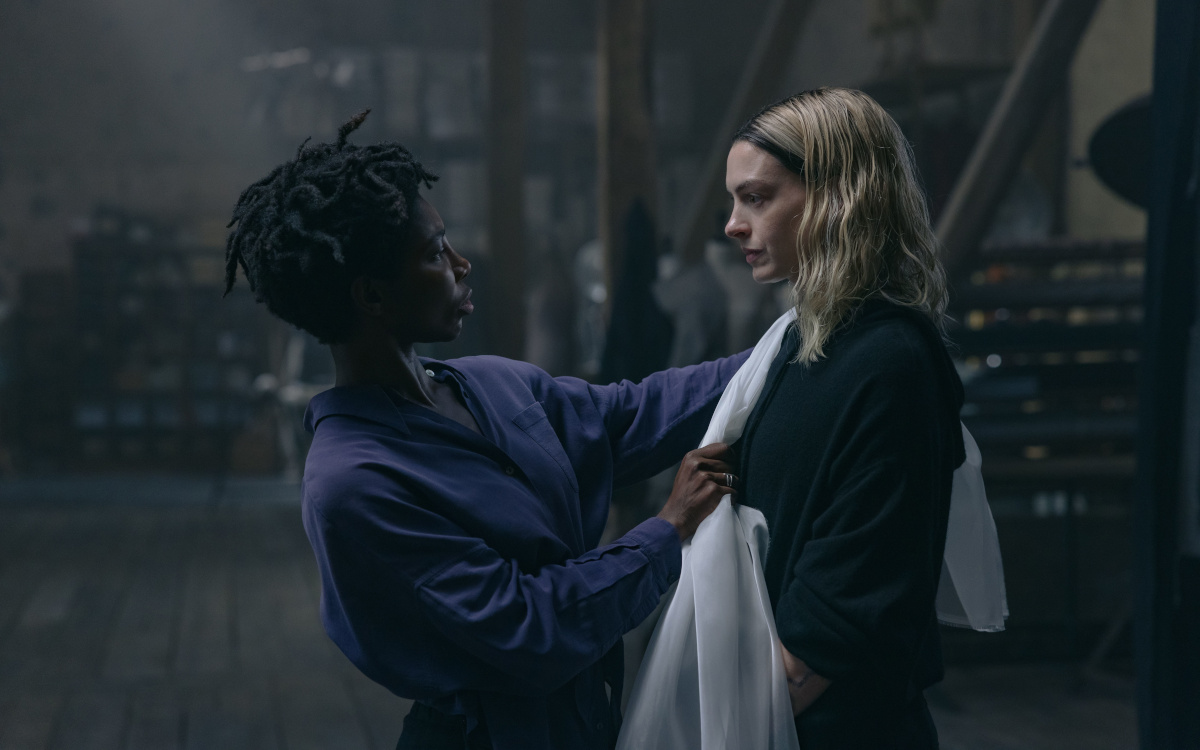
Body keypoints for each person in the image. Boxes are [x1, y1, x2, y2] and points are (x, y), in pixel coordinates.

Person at [222, 110, 749, 750]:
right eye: (432, 253)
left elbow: (629, 416)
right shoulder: (354, 483)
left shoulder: (493, 383)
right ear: (372, 296)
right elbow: (531, 628)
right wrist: (668, 529)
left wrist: (779, 347)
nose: (462, 263)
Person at [722, 88, 965, 748]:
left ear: (836, 196)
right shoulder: (798, 343)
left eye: (756, 198)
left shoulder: (891, 362)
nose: (734, 225)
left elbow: (847, 604)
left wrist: (739, 721)